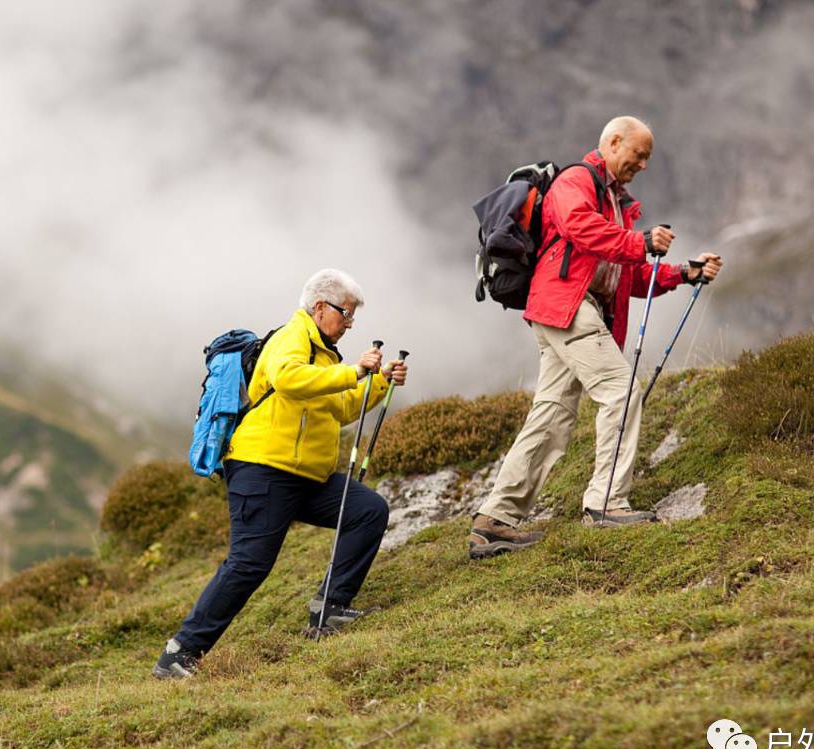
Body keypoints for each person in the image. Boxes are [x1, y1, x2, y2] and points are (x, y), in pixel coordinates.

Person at [469, 116, 723, 558]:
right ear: (614, 141)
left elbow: (631, 271)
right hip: (570, 307)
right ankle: (606, 503)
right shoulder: (576, 180)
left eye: (647, 159)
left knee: (550, 416)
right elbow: (578, 227)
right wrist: (640, 240)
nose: (642, 165)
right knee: (621, 390)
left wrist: (684, 272)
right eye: (638, 155)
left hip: (565, 310)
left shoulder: (617, 205)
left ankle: (495, 520)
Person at [153, 269, 408, 679]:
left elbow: (341, 409)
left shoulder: (325, 356)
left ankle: (331, 609)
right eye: (346, 314)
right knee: (249, 563)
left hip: (308, 476)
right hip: (263, 470)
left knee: (367, 510)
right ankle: (180, 653)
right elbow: (289, 381)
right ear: (320, 307)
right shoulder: (291, 337)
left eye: (353, 318)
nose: (349, 324)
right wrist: (355, 372)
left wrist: (376, 382)